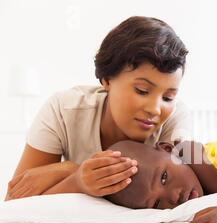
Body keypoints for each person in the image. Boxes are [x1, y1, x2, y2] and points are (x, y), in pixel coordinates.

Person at [5, 16, 191, 200]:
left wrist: (71, 176)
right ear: (107, 79)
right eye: (142, 91)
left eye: (168, 97)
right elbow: (14, 202)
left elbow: (190, 195)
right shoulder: (64, 110)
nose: (155, 110)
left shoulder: (174, 120)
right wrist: (76, 177)